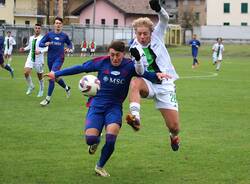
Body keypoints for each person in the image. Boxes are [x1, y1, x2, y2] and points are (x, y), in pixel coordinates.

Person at [44, 40, 168, 177]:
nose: (115, 58)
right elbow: (80, 67)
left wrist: (158, 76)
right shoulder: (102, 62)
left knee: (111, 137)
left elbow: (146, 74)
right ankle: (95, 141)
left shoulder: (130, 66)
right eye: (112, 55)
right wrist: (56, 74)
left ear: (123, 54)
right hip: (96, 105)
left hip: (114, 108)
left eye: (118, 55)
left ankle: (100, 166)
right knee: (90, 139)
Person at [126, 0, 181, 151]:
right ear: (135, 33)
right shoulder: (134, 47)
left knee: (174, 127)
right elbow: (139, 72)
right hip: (148, 83)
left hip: (166, 85)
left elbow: (164, 19)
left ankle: (173, 136)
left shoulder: (158, 35)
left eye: (145, 33)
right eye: (139, 34)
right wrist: (137, 59)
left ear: (151, 32)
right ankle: (135, 117)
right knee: (135, 82)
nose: (142, 37)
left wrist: (158, 8)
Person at [39, 17, 72, 106]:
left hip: (59, 58)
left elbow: (70, 44)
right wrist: (45, 44)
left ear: (62, 25)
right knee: (56, 77)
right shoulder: (49, 35)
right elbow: (40, 44)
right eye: (56, 23)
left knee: (51, 77)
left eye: (59, 23)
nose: (58, 25)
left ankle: (47, 99)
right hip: (50, 59)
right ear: (54, 25)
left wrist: (68, 49)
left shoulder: (64, 36)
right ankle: (67, 88)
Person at [19, 23, 48, 97]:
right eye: (36, 28)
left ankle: (41, 89)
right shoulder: (31, 37)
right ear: (34, 29)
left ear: (40, 29)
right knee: (26, 72)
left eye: (39, 28)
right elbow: (30, 46)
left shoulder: (43, 38)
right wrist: (24, 49)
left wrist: (40, 51)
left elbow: (47, 47)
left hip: (39, 59)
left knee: (39, 75)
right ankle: (31, 86)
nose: (37, 29)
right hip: (31, 57)